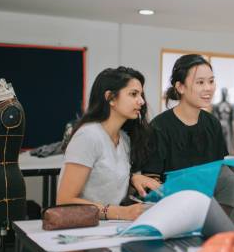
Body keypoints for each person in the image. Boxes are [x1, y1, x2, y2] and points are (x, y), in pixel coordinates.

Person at [57, 67, 159, 221]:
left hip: (109, 228)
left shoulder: (124, 139)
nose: (142, 101)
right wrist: (120, 212)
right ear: (110, 97)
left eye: (141, 94)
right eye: (133, 94)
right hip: (82, 229)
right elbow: (65, 201)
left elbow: (106, 182)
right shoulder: (88, 136)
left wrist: (132, 180)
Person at [142, 54, 228, 180]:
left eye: (211, 81)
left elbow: (218, 172)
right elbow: (150, 179)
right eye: (200, 82)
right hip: (168, 198)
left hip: (208, 198)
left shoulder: (213, 124)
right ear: (180, 87)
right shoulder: (159, 127)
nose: (208, 88)